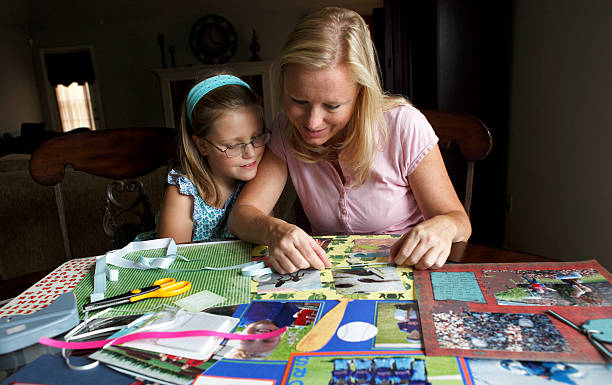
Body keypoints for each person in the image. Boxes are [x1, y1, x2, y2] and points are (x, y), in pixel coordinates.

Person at [228, 7, 470, 273]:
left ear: (361, 94)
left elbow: (459, 222)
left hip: (407, 271)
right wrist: (275, 230)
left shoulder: (404, 126)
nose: (311, 122)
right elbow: (242, 215)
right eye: (299, 101)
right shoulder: (285, 128)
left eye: (332, 106)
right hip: (328, 276)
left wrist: (444, 227)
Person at [139, 72, 269, 243]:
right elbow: (172, 263)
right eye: (232, 146)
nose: (250, 153)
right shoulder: (184, 194)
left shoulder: (258, 183)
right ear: (202, 146)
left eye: (257, 137)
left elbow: (263, 242)